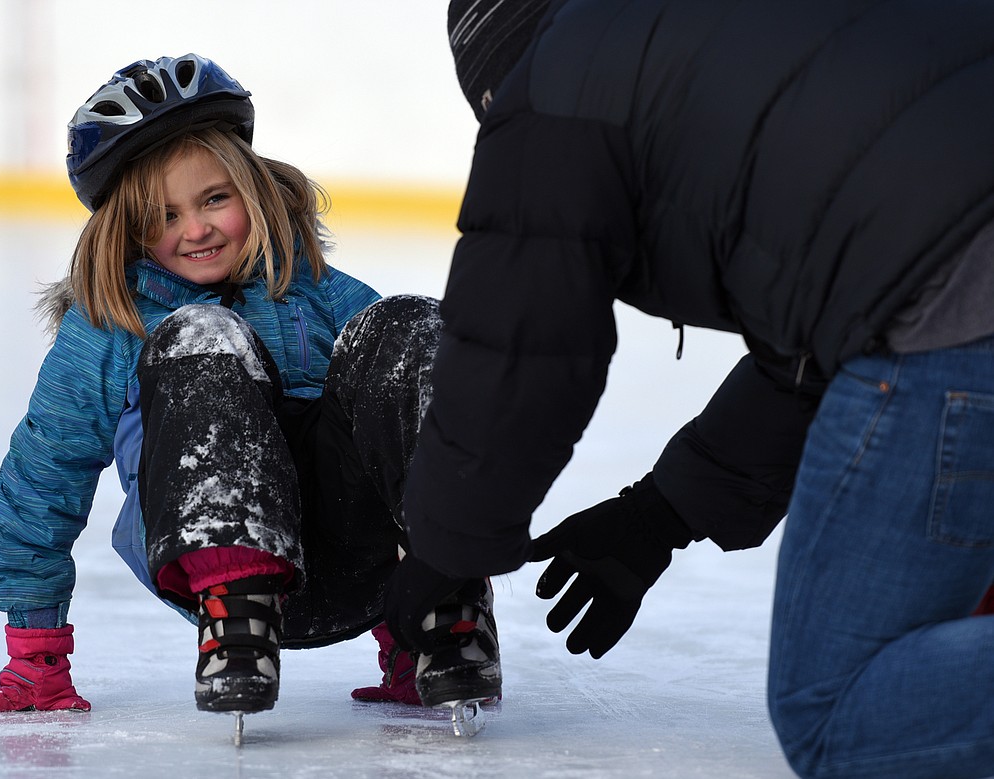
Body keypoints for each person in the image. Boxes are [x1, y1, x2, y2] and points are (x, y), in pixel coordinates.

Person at [386, 2, 994, 777]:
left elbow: (521, 343)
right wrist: (661, 514)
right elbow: (812, 335)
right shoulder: (723, 51)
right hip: (938, 260)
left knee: (844, 707)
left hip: (956, 299)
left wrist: (445, 548)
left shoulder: (556, 87)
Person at [0, 53, 501, 720]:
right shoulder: (109, 326)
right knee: (199, 335)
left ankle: (442, 618)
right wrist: (36, 656)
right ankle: (237, 611)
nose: (195, 229)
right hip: (208, 562)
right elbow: (42, 477)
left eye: (214, 199)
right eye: (163, 215)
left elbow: (409, 407)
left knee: (405, 323)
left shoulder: (314, 290)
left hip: (365, 566)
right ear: (125, 228)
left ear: (254, 188)